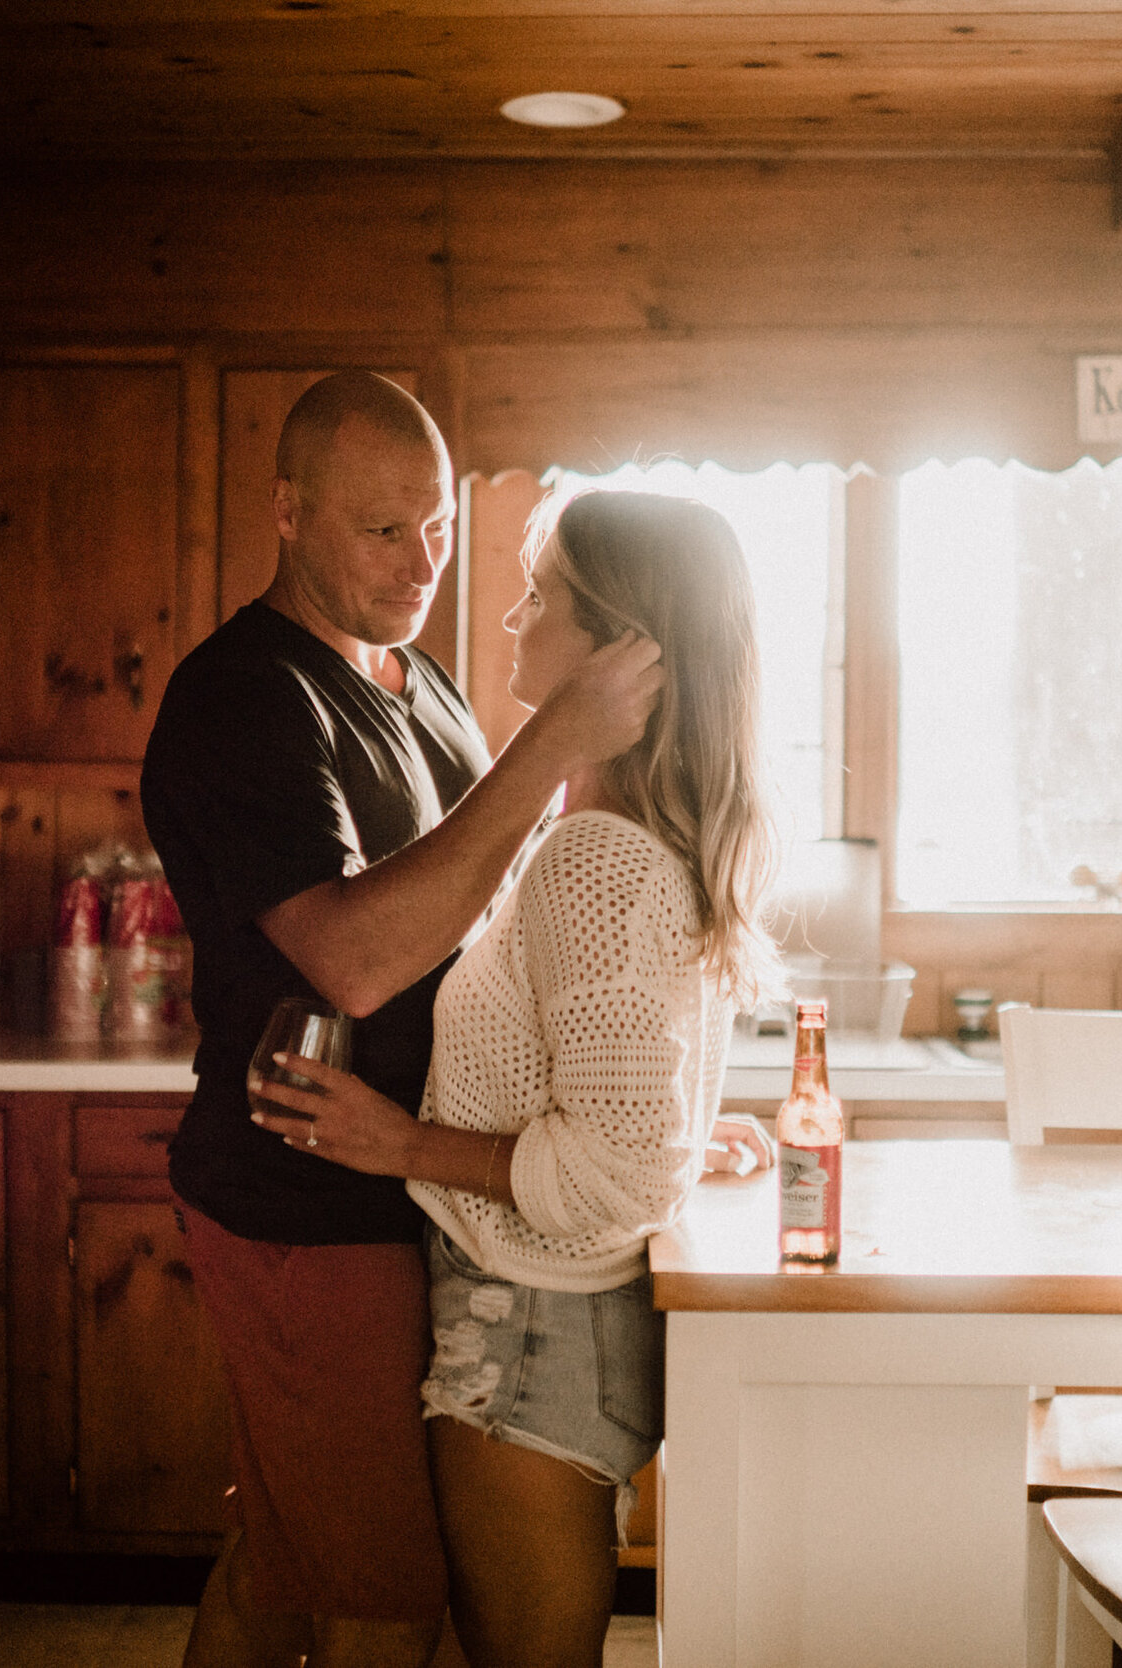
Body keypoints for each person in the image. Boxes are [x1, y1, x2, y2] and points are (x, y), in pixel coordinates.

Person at [140, 373, 667, 1668]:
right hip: (298, 1198)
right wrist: (549, 746)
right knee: (384, 1583)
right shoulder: (245, 699)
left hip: (391, 1189)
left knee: (286, 1553)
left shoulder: (416, 678)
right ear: (287, 511)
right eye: (384, 530)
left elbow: (478, 914)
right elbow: (357, 960)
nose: (423, 559)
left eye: (434, 524)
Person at [249, 488, 781, 1668]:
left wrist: (399, 1146)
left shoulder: (594, 858)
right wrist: (685, 1137)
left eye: (540, 597)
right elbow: (627, 1118)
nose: (506, 617)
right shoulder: (613, 837)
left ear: (620, 650)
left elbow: (614, 1169)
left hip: (529, 1341)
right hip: (546, 1329)